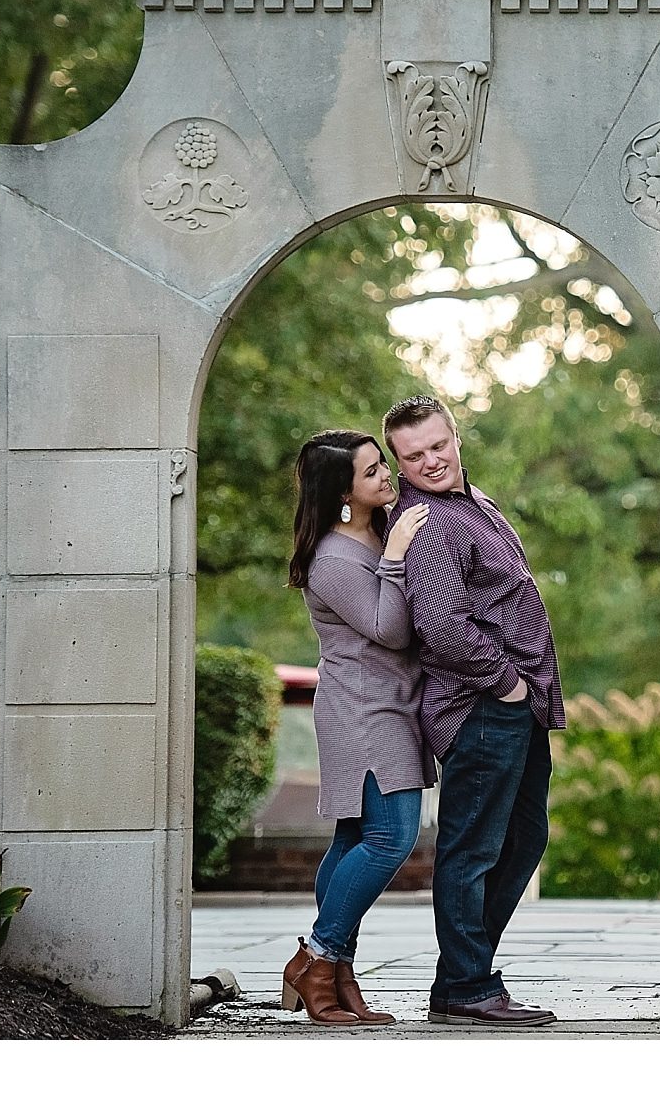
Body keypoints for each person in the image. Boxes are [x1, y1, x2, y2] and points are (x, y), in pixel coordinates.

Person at [384, 394, 566, 1027]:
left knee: (523, 837)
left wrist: (525, 694)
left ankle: (462, 978)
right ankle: (467, 985)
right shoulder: (428, 524)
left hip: (517, 704)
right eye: (413, 456)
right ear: (398, 462)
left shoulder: (473, 503)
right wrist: (507, 683)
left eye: (438, 446)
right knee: (473, 847)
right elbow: (442, 624)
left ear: (455, 437)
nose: (430, 461)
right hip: (481, 706)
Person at [278, 429, 433, 1027]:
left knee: (352, 840)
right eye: (371, 473)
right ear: (342, 491)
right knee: (390, 839)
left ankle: (338, 974)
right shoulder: (335, 559)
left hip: (391, 705)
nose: (386, 477)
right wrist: (394, 558)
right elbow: (389, 628)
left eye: (380, 466)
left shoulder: (375, 531)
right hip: (363, 713)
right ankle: (316, 957)